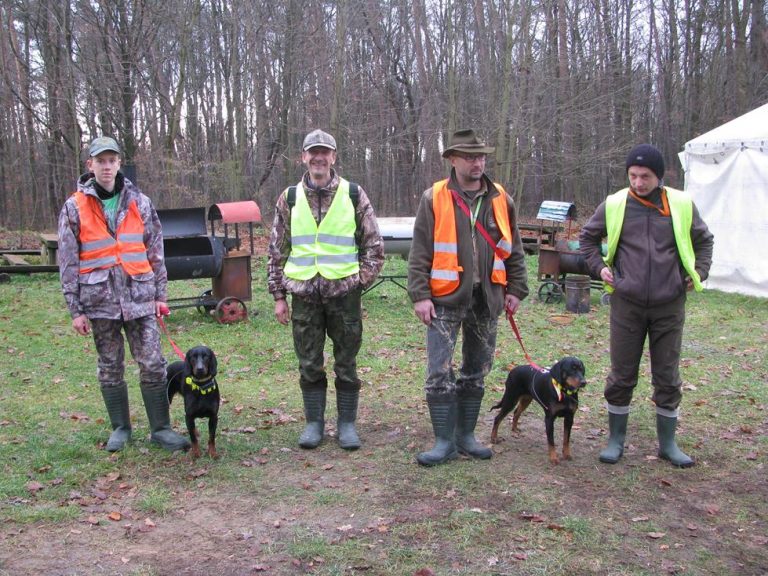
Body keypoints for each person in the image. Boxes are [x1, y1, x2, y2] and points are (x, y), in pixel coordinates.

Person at [580, 143, 714, 468]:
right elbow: (586, 238)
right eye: (633, 175)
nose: (638, 183)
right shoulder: (614, 204)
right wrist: (599, 268)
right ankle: (615, 440)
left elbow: (704, 240)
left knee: (667, 376)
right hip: (627, 302)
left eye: (645, 176)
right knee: (622, 374)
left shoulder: (681, 204)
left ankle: (668, 444)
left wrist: (698, 271)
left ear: (660, 175)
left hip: (669, 304)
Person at [58, 136, 190, 453]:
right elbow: (67, 260)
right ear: (90, 165)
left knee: (153, 364)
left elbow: (155, 251)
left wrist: (160, 295)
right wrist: (75, 309)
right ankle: (120, 428)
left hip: (140, 298)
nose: (106, 166)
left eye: (111, 160)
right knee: (109, 367)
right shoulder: (74, 207)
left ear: (119, 164)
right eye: (100, 161)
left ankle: (161, 429)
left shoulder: (140, 202)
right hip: (99, 301)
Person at [407, 128, 529, 466]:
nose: (478, 162)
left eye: (481, 156)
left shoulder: (501, 198)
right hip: (444, 298)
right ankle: (443, 441)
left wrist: (516, 289)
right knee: (438, 372)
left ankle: (466, 436)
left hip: (486, 297)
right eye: (470, 157)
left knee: (476, 369)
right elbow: (420, 251)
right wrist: (420, 294)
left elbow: (513, 248)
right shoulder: (434, 197)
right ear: (453, 160)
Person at [267, 129, 384, 450]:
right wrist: (278, 295)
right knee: (309, 362)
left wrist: (359, 281)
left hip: (344, 297)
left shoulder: (353, 195)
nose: (319, 158)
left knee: (346, 362)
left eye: (325, 152)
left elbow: (374, 246)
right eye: (312, 152)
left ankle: (346, 424)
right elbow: (277, 250)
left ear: (334, 157)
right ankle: (314, 424)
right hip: (303, 297)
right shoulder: (288, 198)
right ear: (303, 157)